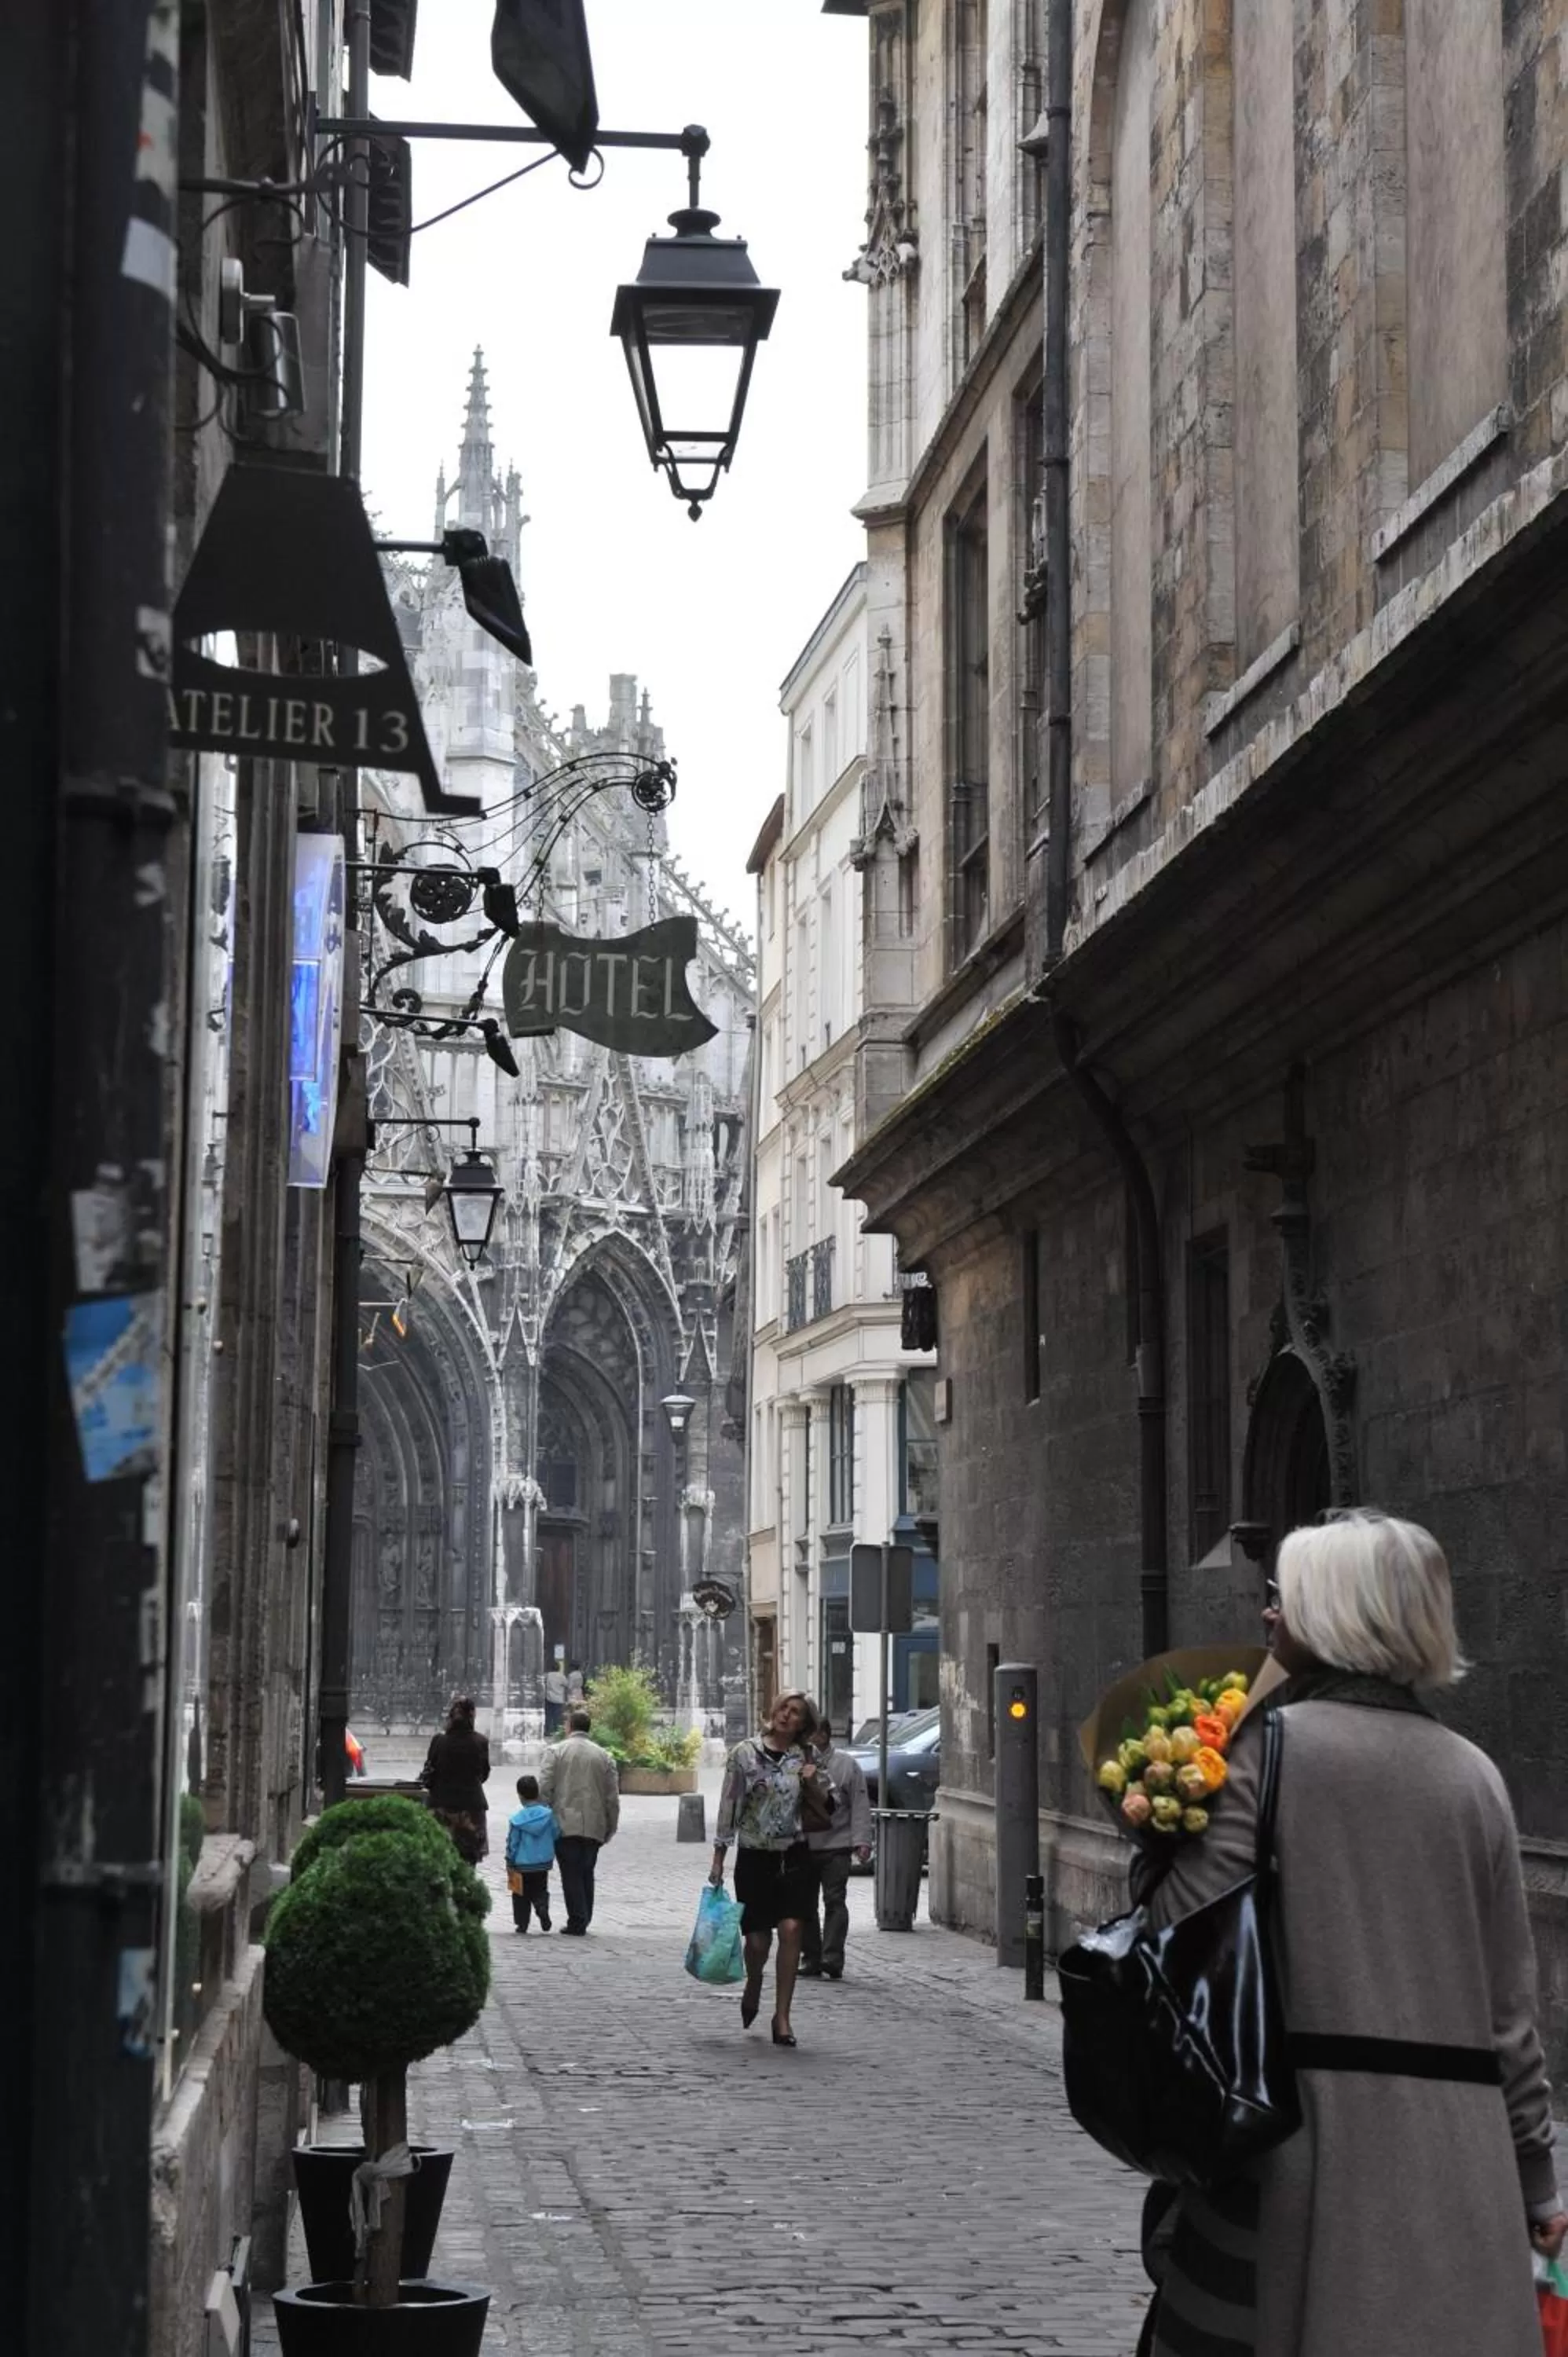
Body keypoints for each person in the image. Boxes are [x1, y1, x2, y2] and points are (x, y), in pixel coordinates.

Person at [1131, 1510, 1566, 2357]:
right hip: (1458, 2162)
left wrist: (1158, 1829)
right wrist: (1538, 2183)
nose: (1267, 1617)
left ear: (1333, 1615)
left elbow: (1176, 1928)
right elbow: (1511, 2018)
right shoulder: (1474, 1776)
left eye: (1281, 1600)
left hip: (1301, 2162)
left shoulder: (1260, 1753)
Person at [709, 1690, 834, 2047]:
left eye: (795, 1713)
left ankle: (782, 2016)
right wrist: (719, 1856)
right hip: (754, 1857)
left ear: (803, 1724)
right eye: (782, 1707)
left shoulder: (806, 1757)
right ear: (773, 1710)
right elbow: (728, 1806)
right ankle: (754, 1981)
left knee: (793, 1928)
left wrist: (813, 1782)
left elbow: (831, 1804)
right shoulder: (744, 1754)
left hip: (794, 1855)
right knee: (758, 1941)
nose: (785, 1715)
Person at [799, 1713, 872, 1981]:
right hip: (804, 1845)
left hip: (837, 1844)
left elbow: (860, 1805)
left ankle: (832, 1957)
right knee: (806, 1904)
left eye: (812, 1734)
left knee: (834, 1900)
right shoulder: (796, 1763)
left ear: (824, 1735)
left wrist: (862, 1841)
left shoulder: (846, 1765)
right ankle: (811, 1957)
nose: (808, 1740)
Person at [537, 1706, 619, 1934]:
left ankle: (578, 1918)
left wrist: (544, 1815)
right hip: (594, 1823)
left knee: (570, 1872)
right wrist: (611, 1825)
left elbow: (544, 1788)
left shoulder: (555, 1752)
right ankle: (584, 1916)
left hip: (564, 1822)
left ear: (569, 1727)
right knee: (586, 1870)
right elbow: (612, 1796)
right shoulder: (604, 1756)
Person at [419, 1694, 490, 1865]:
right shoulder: (480, 1741)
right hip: (471, 1809)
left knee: (440, 1859)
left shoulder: (439, 1741)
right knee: (468, 1861)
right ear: (472, 1715)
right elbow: (484, 1774)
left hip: (440, 1806)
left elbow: (430, 1768)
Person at [505, 1773, 557, 1934]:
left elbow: (513, 1842)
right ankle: (541, 1906)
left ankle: (522, 1923)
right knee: (540, 1889)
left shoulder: (517, 1819)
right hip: (543, 1863)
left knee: (520, 1894)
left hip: (521, 1864)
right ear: (538, 1793)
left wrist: (510, 1859)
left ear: (520, 1795)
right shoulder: (549, 1815)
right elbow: (556, 1833)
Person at [542, 1661, 567, 1736]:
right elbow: (567, 1684)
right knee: (557, 1716)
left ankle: (547, 1731)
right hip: (559, 1699)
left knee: (548, 1715)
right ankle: (557, 1731)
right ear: (559, 1668)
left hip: (549, 1697)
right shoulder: (562, 1676)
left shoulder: (547, 1675)